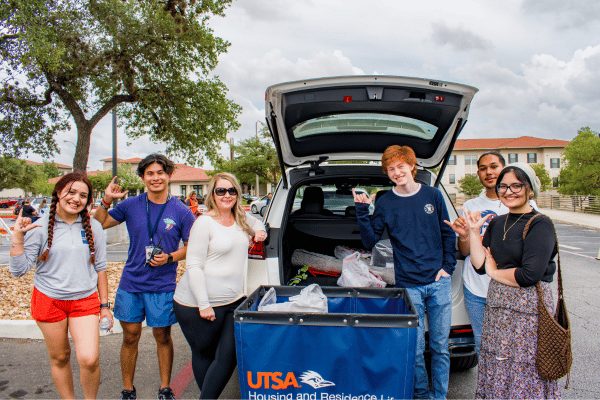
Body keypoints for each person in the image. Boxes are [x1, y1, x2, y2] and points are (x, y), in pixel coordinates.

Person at [353, 145, 456, 400]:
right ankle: (421, 395)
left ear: (412, 165)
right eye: (391, 169)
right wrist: (361, 210)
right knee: (416, 348)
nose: (397, 172)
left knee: (441, 347)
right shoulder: (385, 201)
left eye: (400, 166)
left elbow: (447, 233)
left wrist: (447, 268)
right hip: (409, 284)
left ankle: (439, 396)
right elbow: (369, 241)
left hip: (438, 282)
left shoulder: (432, 195)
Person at [93, 154, 196, 400]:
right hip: (131, 283)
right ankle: (128, 389)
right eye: (150, 173)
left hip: (162, 285)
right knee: (130, 336)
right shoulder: (131, 205)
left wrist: (170, 257)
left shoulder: (181, 211)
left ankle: (164, 388)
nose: (156, 177)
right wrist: (106, 200)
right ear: (143, 177)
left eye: (160, 172)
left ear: (169, 176)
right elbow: (98, 225)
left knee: (163, 336)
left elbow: (192, 246)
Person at [9, 172, 110, 399]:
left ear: (88, 200)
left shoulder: (94, 227)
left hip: (84, 301)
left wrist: (105, 305)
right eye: (71, 192)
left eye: (83, 195)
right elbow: (18, 270)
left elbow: (101, 268)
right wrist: (17, 238)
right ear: (58, 192)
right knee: (61, 357)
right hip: (48, 300)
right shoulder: (39, 227)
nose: (76, 199)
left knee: (89, 358)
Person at [465, 163, 560, 398]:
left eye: (516, 185)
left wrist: (495, 273)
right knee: (498, 361)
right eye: (503, 186)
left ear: (530, 190)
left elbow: (529, 275)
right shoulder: (497, 222)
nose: (508, 191)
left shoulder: (540, 223)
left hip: (529, 308)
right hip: (498, 307)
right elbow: (479, 265)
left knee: (523, 366)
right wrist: (474, 232)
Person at [173, 172, 267, 399]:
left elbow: (256, 222)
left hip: (234, 300)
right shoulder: (204, 223)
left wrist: (260, 230)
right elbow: (193, 266)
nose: (227, 195)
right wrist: (204, 304)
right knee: (204, 354)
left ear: (237, 193)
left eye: (231, 190)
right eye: (221, 191)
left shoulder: (241, 219)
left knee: (229, 357)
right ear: (212, 194)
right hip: (197, 304)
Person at [445, 152, 537, 353]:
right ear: (478, 173)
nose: (489, 172)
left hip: (512, 287)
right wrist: (463, 235)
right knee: (483, 347)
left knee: (514, 348)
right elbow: (466, 251)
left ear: (504, 169)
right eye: (483, 168)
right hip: (476, 290)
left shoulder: (523, 205)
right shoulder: (470, 206)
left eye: (494, 166)